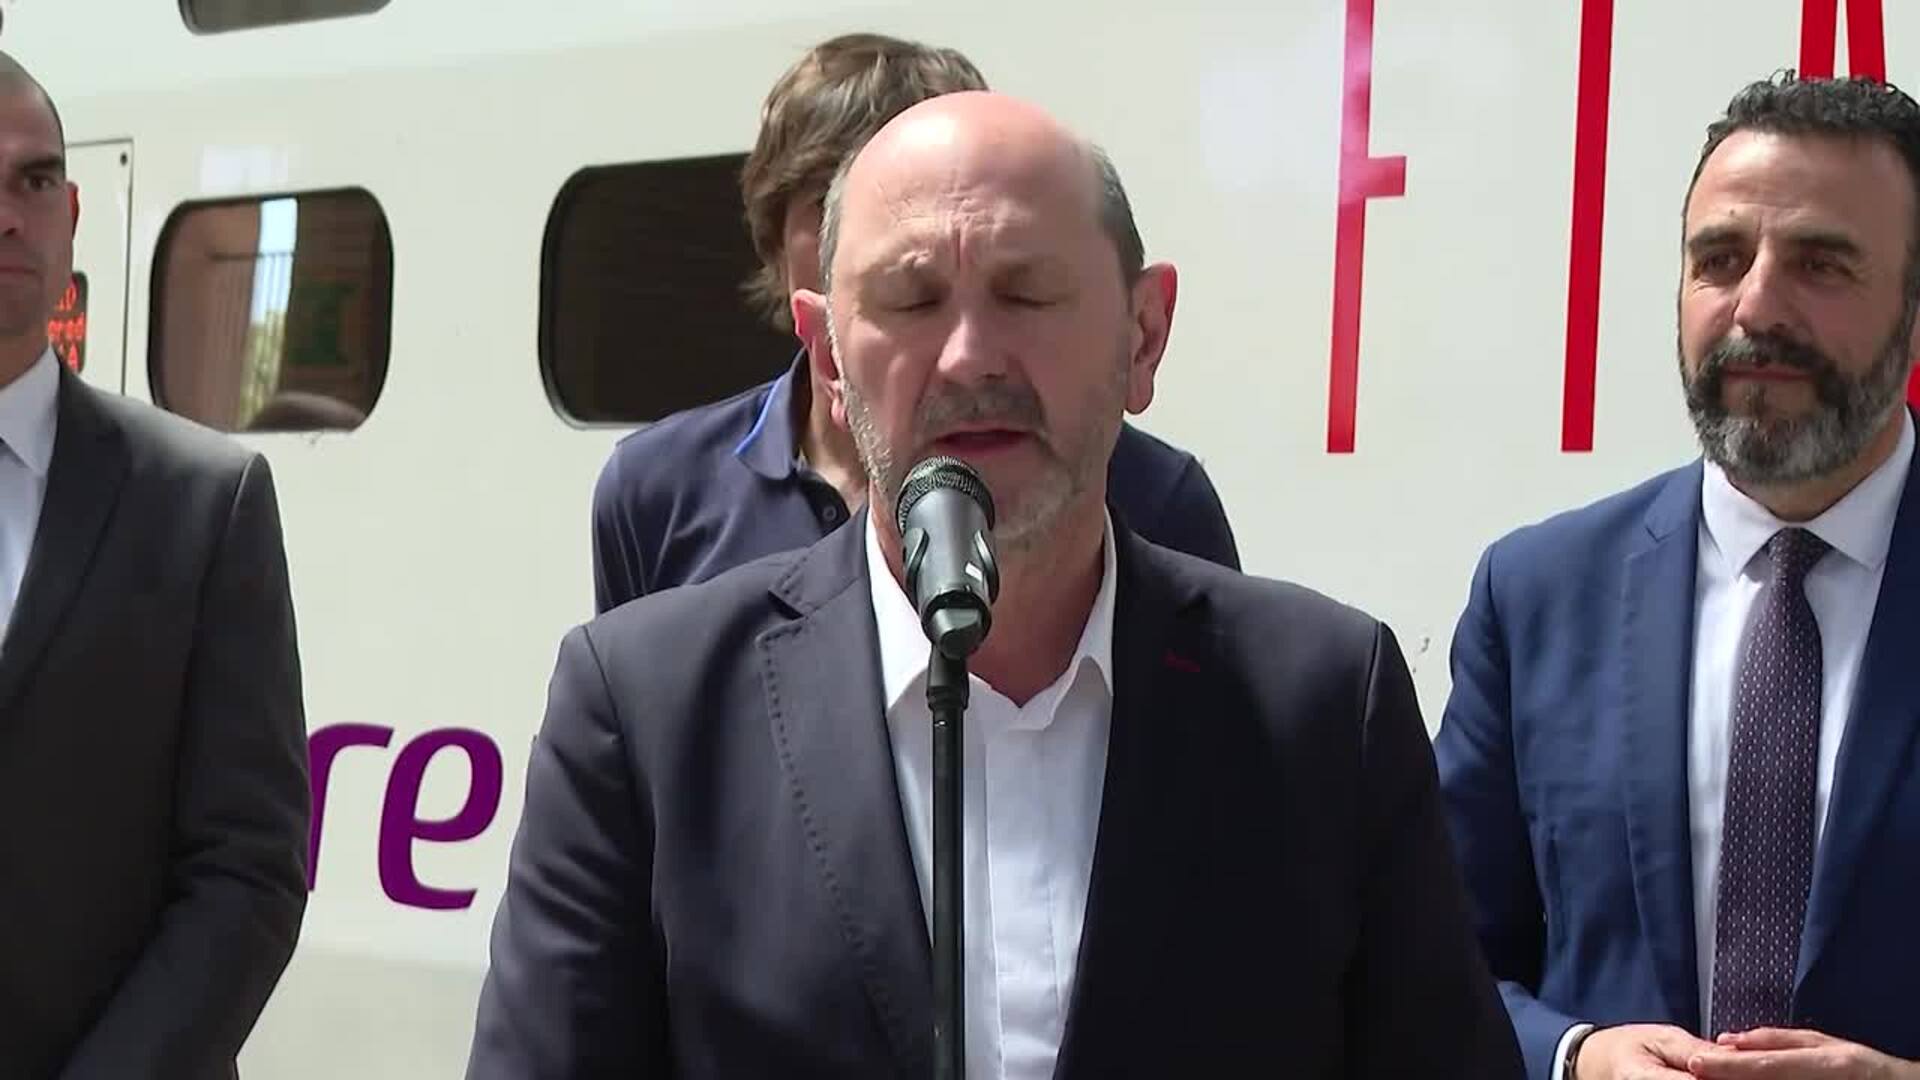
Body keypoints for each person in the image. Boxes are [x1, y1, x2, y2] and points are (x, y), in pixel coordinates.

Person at [468, 90, 1521, 1079]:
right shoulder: (645, 710)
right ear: (827, 360)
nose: (970, 356)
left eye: (1026, 292)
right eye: (911, 300)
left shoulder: (1327, 699)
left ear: (1143, 335)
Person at [1435, 72, 1920, 1079]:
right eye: (1720, 260)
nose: (1756, 306)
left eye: (1821, 264)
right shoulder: (1538, 596)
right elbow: (1429, 960)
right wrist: (1578, 1056)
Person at [587, 32, 1238, 613]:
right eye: (826, 201)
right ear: (774, 239)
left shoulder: (1149, 488)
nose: (865, 232)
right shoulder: (658, 487)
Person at [0, 51, 309, 1078]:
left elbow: (249, 867)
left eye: (34, 180)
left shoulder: (202, 502)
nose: (8, 217)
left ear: (71, 214)